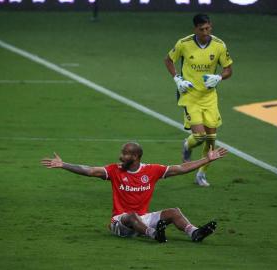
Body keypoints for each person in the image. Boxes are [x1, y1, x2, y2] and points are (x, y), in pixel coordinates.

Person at [41, 142, 228, 243]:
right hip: (119, 222)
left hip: (140, 218)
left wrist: (206, 159)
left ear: (136, 157)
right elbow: (89, 170)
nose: (121, 157)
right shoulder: (114, 170)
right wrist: (63, 164)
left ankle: (194, 233)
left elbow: (180, 168)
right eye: (122, 153)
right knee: (130, 216)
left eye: (125, 154)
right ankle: (154, 234)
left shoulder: (151, 170)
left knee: (174, 212)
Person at [164, 13, 233, 187]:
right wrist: (177, 79)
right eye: (202, 29)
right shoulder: (184, 44)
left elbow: (228, 69)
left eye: (208, 28)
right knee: (200, 136)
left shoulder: (219, 45)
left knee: (211, 138)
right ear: (195, 29)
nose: (205, 32)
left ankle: (201, 174)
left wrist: (218, 77)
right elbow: (168, 60)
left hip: (209, 97)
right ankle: (187, 145)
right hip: (189, 95)